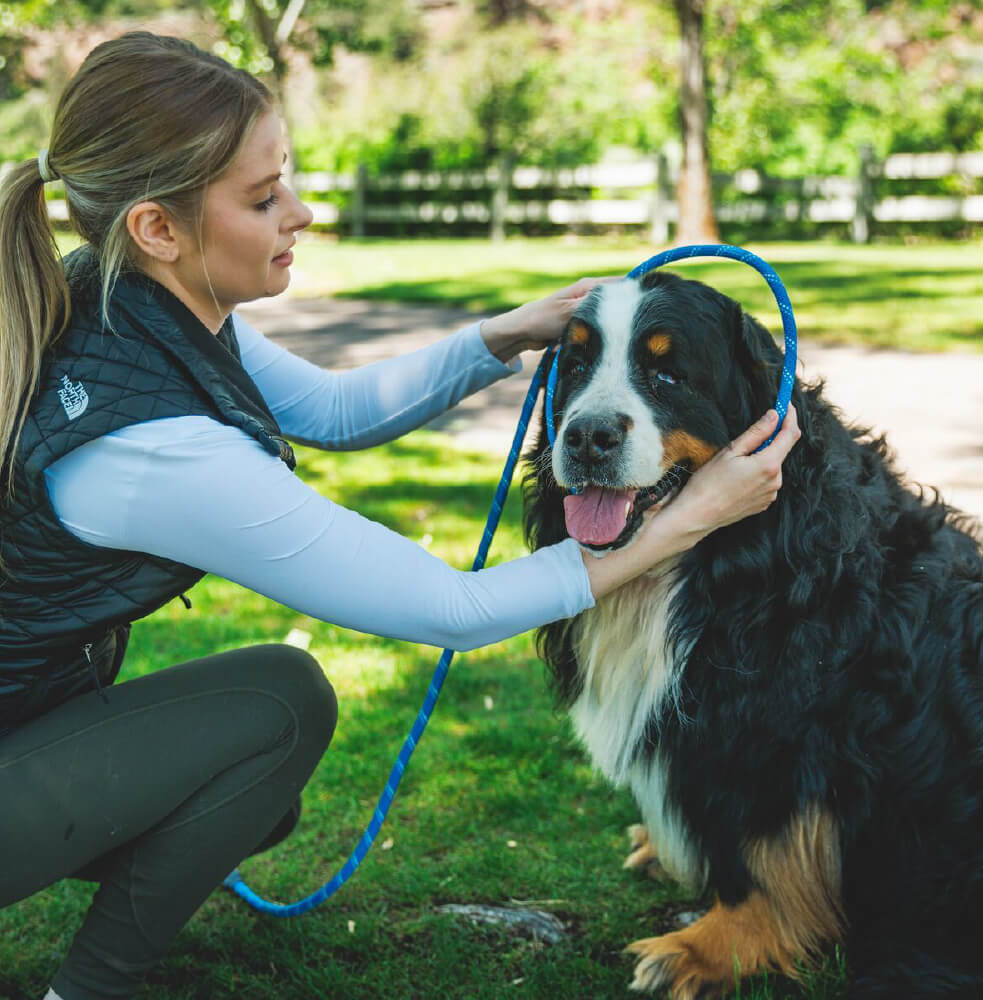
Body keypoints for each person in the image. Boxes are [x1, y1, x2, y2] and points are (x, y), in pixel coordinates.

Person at [0, 31, 800, 1000]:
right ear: (157, 229)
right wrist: (683, 520)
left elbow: (334, 411)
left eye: (283, 179)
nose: (298, 213)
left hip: (25, 716)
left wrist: (503, 335)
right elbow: (449, 609)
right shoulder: (152, 447)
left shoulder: (123, 301)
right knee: (275, 704)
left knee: (255, 797)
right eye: (262, 199)